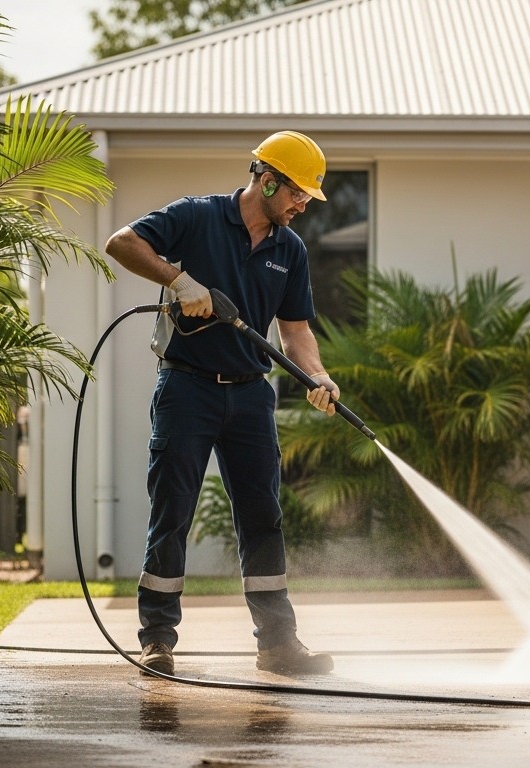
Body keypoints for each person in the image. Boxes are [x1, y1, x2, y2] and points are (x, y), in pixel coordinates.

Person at [104, 130, 341, 677]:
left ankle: (278, 646)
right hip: (187, 389)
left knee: (264, 518)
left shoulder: (290, 249)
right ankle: (157, 640)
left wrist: (318, 375)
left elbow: (296, 331)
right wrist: (179, 279)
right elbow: (121, 242)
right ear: (268, 179)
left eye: (308, 196)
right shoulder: (197, 216)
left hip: (251, 396)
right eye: (298, 193)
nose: (303, 204)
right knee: (172, 513)